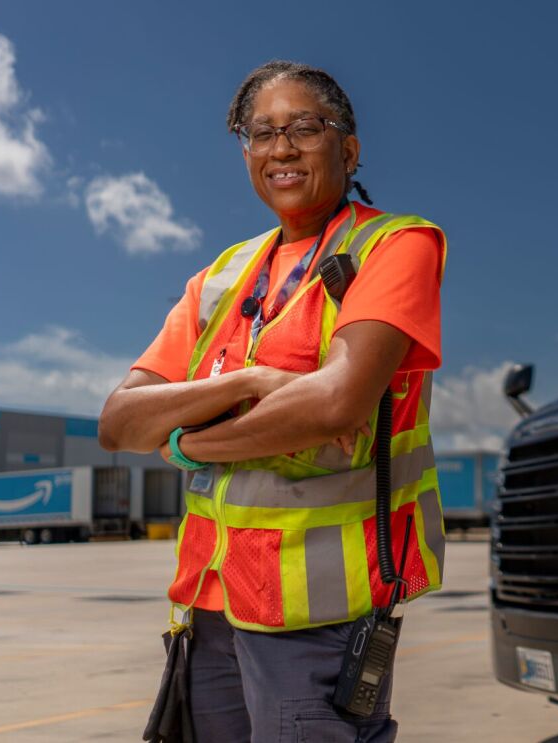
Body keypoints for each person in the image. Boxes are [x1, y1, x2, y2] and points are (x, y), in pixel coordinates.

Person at [99, 60, 447, 743]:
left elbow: (335, 404)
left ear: (348, 149)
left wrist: (184, 438)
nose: (281, 148)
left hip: (317, 621)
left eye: (304, 128)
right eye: (261, 133)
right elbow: (118, 422)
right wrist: (246, 384)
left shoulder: (395, 246)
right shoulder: (222, 278)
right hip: (208, 605)